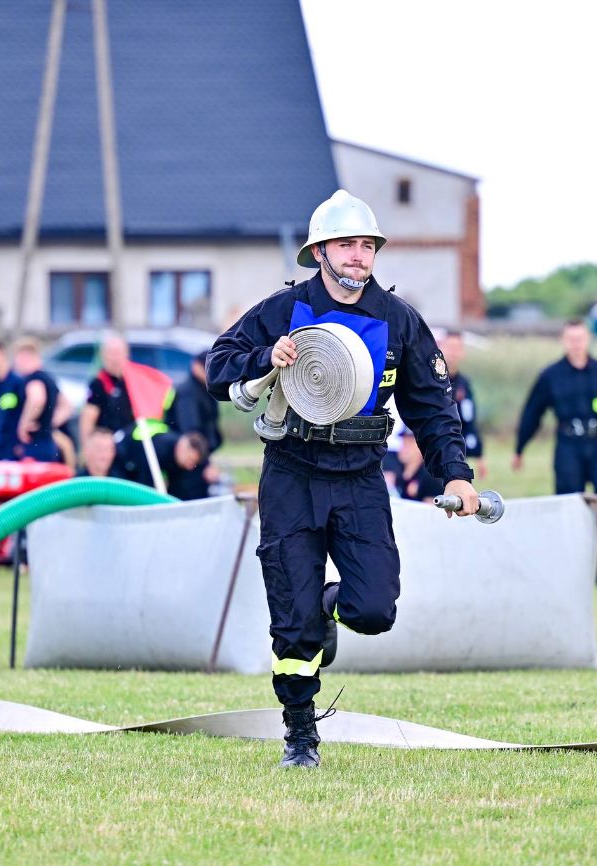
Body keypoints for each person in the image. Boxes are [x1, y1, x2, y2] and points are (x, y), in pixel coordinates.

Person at [207, 190, 479, 769]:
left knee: (375, 609)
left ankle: (332, 604)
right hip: (291, 474)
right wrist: (264, 359)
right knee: (293, 619)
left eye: (366, 246)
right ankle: (301, 737)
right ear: (320, 252)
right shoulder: (282, 311)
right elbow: (217, 365)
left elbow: (433, 407)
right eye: (346, 244)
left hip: (360, 476)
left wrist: (456, 475)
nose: (358, 256)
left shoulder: (399, 320)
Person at [514, 319, 597, 580]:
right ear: (564, 341)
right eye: (571, 339)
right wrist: (519, 449)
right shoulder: (551, 375)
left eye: (580, 339)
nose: (576, 344)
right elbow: (532, 413)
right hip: (569, 446)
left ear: (588, 340)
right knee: (569, 505)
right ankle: (572, 566)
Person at [112, 428, 211, 499]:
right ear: (182, 447)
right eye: (189, 459)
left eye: (193, 463)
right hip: (121, 456)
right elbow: (144, 485)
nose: (190, 466)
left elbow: (178, 491)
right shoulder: (160, 448)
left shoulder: (180, 459)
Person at [11, 338, 67, 463]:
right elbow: (66, 406)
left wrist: (24, 424)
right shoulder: (48, 378)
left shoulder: (33, 378)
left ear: (25, 356)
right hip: (49, 444)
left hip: (35, 446)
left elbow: (37, 399)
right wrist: (50, 422)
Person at [440, 331, 486, 479]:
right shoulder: (430, 379)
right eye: (450, 347)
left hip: (456, 449)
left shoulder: (464, 384)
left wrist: (479, 454)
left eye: (457, 348)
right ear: (440, 348)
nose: (453, 352)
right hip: (432, 446)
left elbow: (470, 419)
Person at [79, 334, 134, 444]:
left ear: (126, 354)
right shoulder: (98, 383)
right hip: (107, 444)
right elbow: (88, 419)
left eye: (118, 352)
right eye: (111, 353)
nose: (115, 358)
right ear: (103, 356)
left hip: (131, 441)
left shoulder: (133, 381)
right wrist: (86, 447)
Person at [393, 428, 445, 502]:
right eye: (404, 441)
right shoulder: (398, 471)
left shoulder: (432, 477)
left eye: (410, 442)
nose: (404, 447)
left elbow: (432, 510)